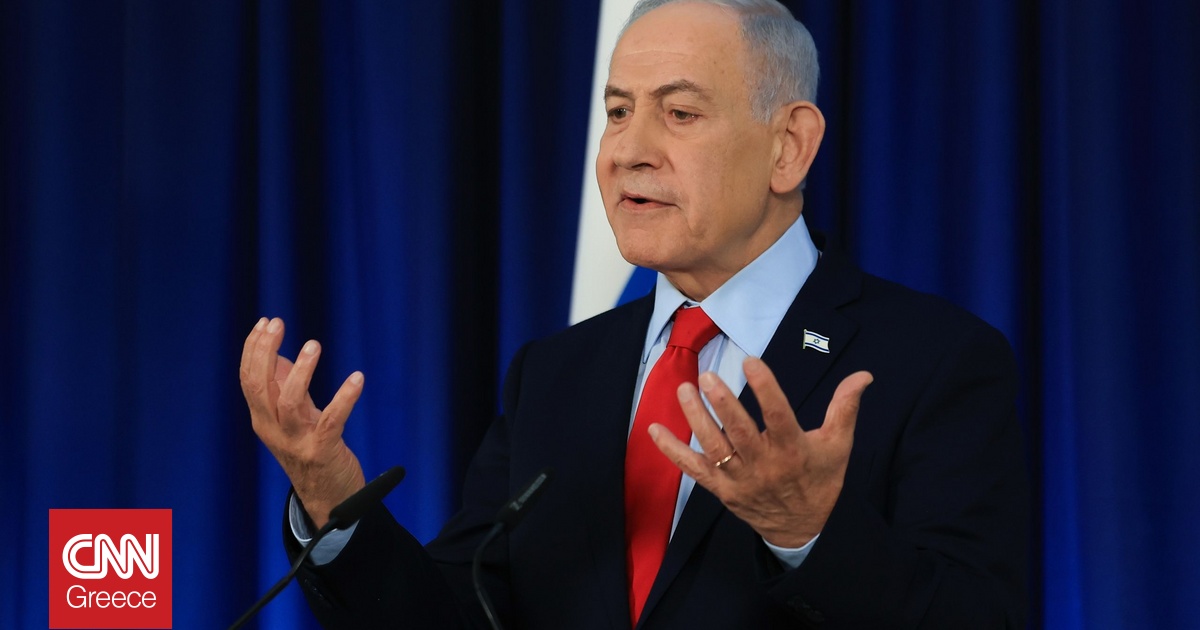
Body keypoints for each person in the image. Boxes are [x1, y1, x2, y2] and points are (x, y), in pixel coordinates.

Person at [239, 0, 1029, 627]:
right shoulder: (555, 373)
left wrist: (808, 535)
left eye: (679, 114)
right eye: (618, 112)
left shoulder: (933, 360)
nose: (627, 151)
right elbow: (453, 615)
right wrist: (333, 501)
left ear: (789, 145)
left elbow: (977, 617)